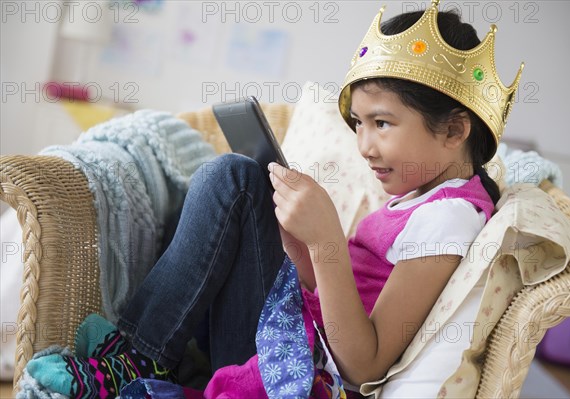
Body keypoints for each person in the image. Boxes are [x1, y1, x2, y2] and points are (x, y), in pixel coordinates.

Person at [26, 1, 523, 398]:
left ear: (455, 129)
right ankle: (147, 351)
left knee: (235, 179)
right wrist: (301, 247)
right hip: (284, 333)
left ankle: (136, 357)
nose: (365, 146)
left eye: (383, 124)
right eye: (360, 124)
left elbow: (363, 362)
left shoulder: (450, 219)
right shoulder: (421, 201)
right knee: (230, 191)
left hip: (290, 370)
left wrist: (327, 239)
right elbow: (344, 293)